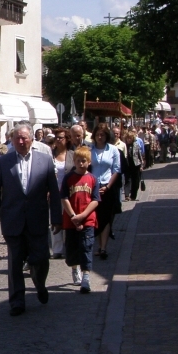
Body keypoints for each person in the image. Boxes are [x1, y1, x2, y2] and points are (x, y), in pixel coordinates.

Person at [0, 124, 62, 316]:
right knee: (15, 262)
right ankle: (17, 301)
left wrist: (57, 217)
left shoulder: (45, 160)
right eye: (17, 138)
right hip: (13, 218)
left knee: (41, 259)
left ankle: (39, 283)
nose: (20, 141)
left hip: (38, 218)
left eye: (24, 138)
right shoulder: (4, 162)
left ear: (31, 139)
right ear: (12, 140)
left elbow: (53, 191)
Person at [60, 147, 100, 293]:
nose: (81, 164)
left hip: (87, 219)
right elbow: (64, 197)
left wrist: (83, 216)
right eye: (78, 161)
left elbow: (95, 200)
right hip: (70, 220)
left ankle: (86, 277)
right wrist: (73, 216)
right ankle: (74, 268)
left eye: (84, 161)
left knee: (86, 247)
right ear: (74, 161)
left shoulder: (93, 179)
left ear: (89, 162)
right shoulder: (69, 178)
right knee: (71, 249)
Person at [90, 123, 121, 260]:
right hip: (93, 186)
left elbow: (116, 170)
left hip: (107, 187)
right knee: (96, 217)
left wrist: (108, 186)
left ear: (107, 136)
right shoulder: (90, 150)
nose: (100, 137)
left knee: (106, 217)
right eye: (97, 135)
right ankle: (98, 245)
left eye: (102, 135)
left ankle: (103, 248)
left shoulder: (113, 150)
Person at [51, 127, 75, 259]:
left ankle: (68, 246)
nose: (58, 140)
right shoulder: (50, 154)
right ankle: (57, 249)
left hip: (68, 193)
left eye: (61, 137)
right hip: (54, 192)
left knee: (68, 218)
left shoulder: (72, 154)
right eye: (57, 138)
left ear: (67, 140)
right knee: (54, 219)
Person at [124, 131, 145, 201]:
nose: (129, 140)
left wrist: (141, 166)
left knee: (135, 181)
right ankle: (127, 196)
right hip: (127, 165)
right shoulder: (124, 145)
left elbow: (139, 155)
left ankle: (133, 195)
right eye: (127, 138)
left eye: (130, 138)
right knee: (127, 180)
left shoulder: (136, 145)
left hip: (136, 165)